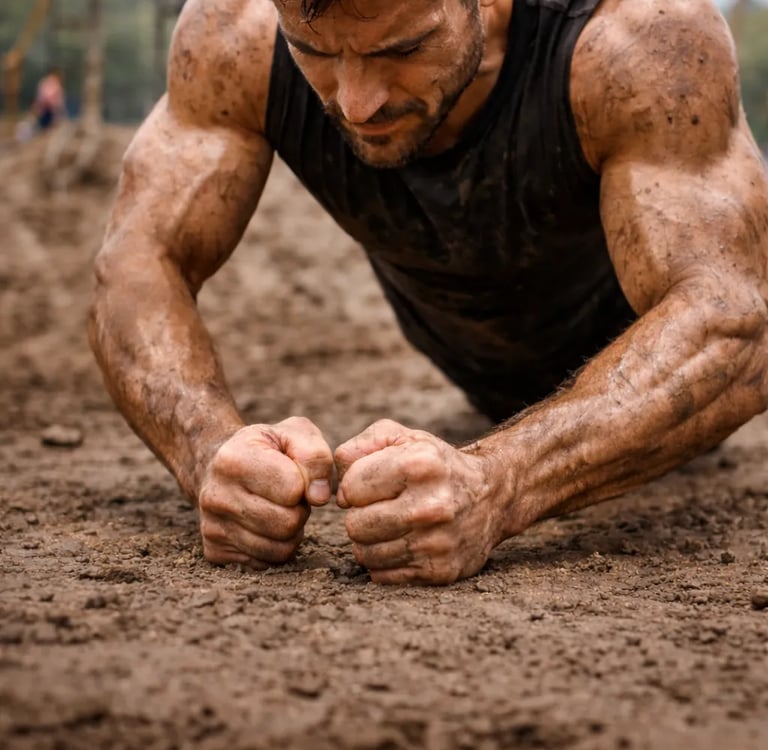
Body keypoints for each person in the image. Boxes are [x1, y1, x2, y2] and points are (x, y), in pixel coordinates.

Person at [88, 0, 768, 585]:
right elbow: (136, 261)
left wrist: (500, 483)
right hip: (480, 373)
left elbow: (732, 321)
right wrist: (207, 450)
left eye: (404, 48)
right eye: (313, 52)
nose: (358, 102)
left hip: (659, 393)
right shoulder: (234, 32)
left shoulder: (638, 39)